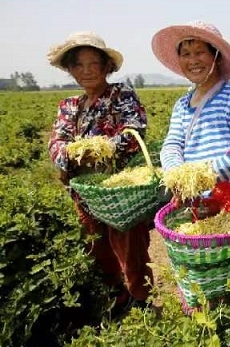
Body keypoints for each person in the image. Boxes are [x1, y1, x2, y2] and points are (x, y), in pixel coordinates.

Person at [46, 32, 153, 314]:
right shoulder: (69, 106)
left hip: (122, 191)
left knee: (131, 247)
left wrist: (95, 149)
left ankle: (142, 301)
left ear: (107, 66)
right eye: (78, 65)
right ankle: (117, 297)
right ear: (70, 70)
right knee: (97, 248)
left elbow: (132, 133)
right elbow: (56, 144)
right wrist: (69, 154)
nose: (87, 70)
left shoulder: (121, 95)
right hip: (84, 193)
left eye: (94, 63)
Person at [152, 21, 230, 207]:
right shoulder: (181, 105)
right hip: (193, 203)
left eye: (200, 52)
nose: (192, 60)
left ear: (216, 56)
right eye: (185, 54)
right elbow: (171, 145)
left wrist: (199, 178)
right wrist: (177, 176)